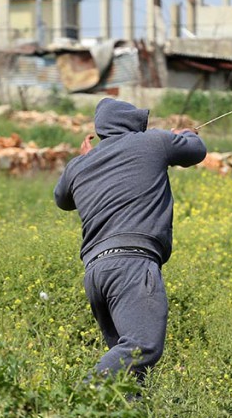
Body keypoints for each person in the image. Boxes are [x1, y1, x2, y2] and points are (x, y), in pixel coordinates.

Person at [54, 97, 206, 384]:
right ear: (135, 121)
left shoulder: (80, 165)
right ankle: (79, 399)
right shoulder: (152, 141)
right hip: (132, 265)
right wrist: (186, 135)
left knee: (128, 373)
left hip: (96, 273)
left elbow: (62, 199)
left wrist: (85, 160)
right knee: (141, 348)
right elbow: (196, 151)